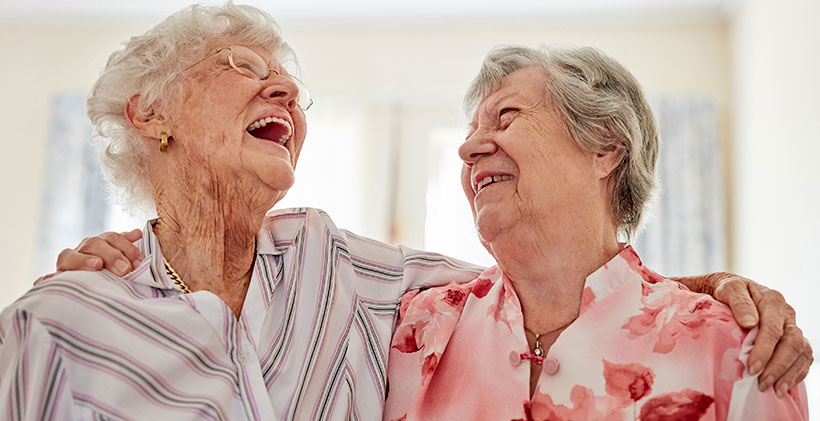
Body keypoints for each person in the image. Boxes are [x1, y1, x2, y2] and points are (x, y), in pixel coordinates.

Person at [7, 3, 810, 420]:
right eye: (245, 66)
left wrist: (708, 292)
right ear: (150, 115)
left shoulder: (350, 273)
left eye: (293, 84)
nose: (284, 90)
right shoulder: (58, 322)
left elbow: (561, 287)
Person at [382, 46, 808, 420]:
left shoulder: (736, 350)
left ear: (604, 147)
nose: (467, 150)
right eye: (471, 132)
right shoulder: (407, 331)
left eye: (506, 117)